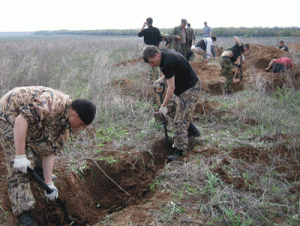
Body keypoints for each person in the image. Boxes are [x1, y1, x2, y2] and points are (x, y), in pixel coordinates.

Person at [0, 86, 96, 226]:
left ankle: (38, 170)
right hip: (8, 114)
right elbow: (21, 120)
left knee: (39, 147)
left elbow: (49, 150)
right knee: (19, 170)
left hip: (27, 120)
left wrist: (49, 182)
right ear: (76, 115)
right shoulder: (51, 103)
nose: (79, 129)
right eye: (81, 125)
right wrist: (20, 156)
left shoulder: (65, 125)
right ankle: (24, 214)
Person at [143, 46, 201, 161]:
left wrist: (163, 106)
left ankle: (179, 151)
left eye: (151, 61)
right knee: (174, 110)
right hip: (183, 88)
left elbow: (171, 88)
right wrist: (162, 79)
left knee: (179, 121)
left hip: (190, 89)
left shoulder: (167, 62)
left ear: (156, 55)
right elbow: (173, 71)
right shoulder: (163, 54)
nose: (151, 65)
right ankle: (193, 132)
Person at [138, 17, 162, 81]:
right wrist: (158, 47)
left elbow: (139, 34)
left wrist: (143, 26)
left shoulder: (146, 30)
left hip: (148, 48)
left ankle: (151, 79)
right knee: (156, 63)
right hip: (155, 48)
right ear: (152, 22)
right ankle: (158, 78)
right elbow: (160, 39)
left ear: (147, 23)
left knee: (150, 63)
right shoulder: (156, 30)